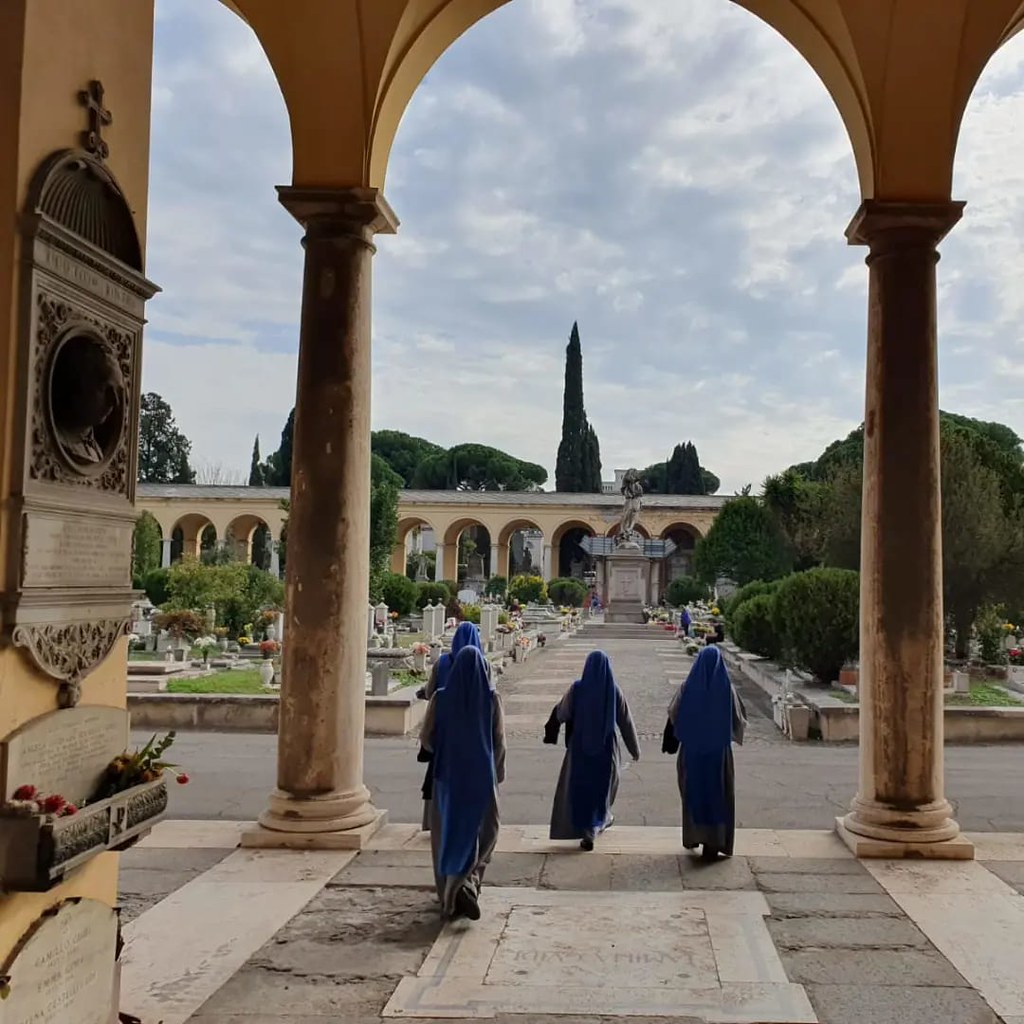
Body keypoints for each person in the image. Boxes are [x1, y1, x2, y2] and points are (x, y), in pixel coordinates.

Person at [419, 646, 505, 921]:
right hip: (481, 775)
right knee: (486, 831)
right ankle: (469, 882)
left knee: (447, 833)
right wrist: (498, 772)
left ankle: (450, 893)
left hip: (447, 775)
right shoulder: (491, 699)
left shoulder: (441, 698)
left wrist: (444, 750)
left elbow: (427, 738)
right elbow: (499, 742)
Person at [544, 651, 640, 851]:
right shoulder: (613, 690)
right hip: (606, 748)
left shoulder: (577, 689)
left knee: (580, 788)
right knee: (602, 788)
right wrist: (634, 749)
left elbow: (562, 712)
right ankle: (595, 825)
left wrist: (551, 731)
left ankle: (587, 827)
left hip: (579, 747)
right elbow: (626, 722)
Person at [662, 645, 746, 860]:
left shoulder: (688, 687)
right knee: (718, 795)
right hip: (719, 753)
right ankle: (716, 840)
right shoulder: (727, 689)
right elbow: (739, 719)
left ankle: (695, 835)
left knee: (694, 793)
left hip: (692, 751)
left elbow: (674, 713)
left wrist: (677, 735)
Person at [417, 621, 488, 832]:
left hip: (445, 732)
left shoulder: (442, 664)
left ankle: (437, 823)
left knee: (439, 778)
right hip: (475, 733)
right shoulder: (482, 663)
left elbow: (430, 692)